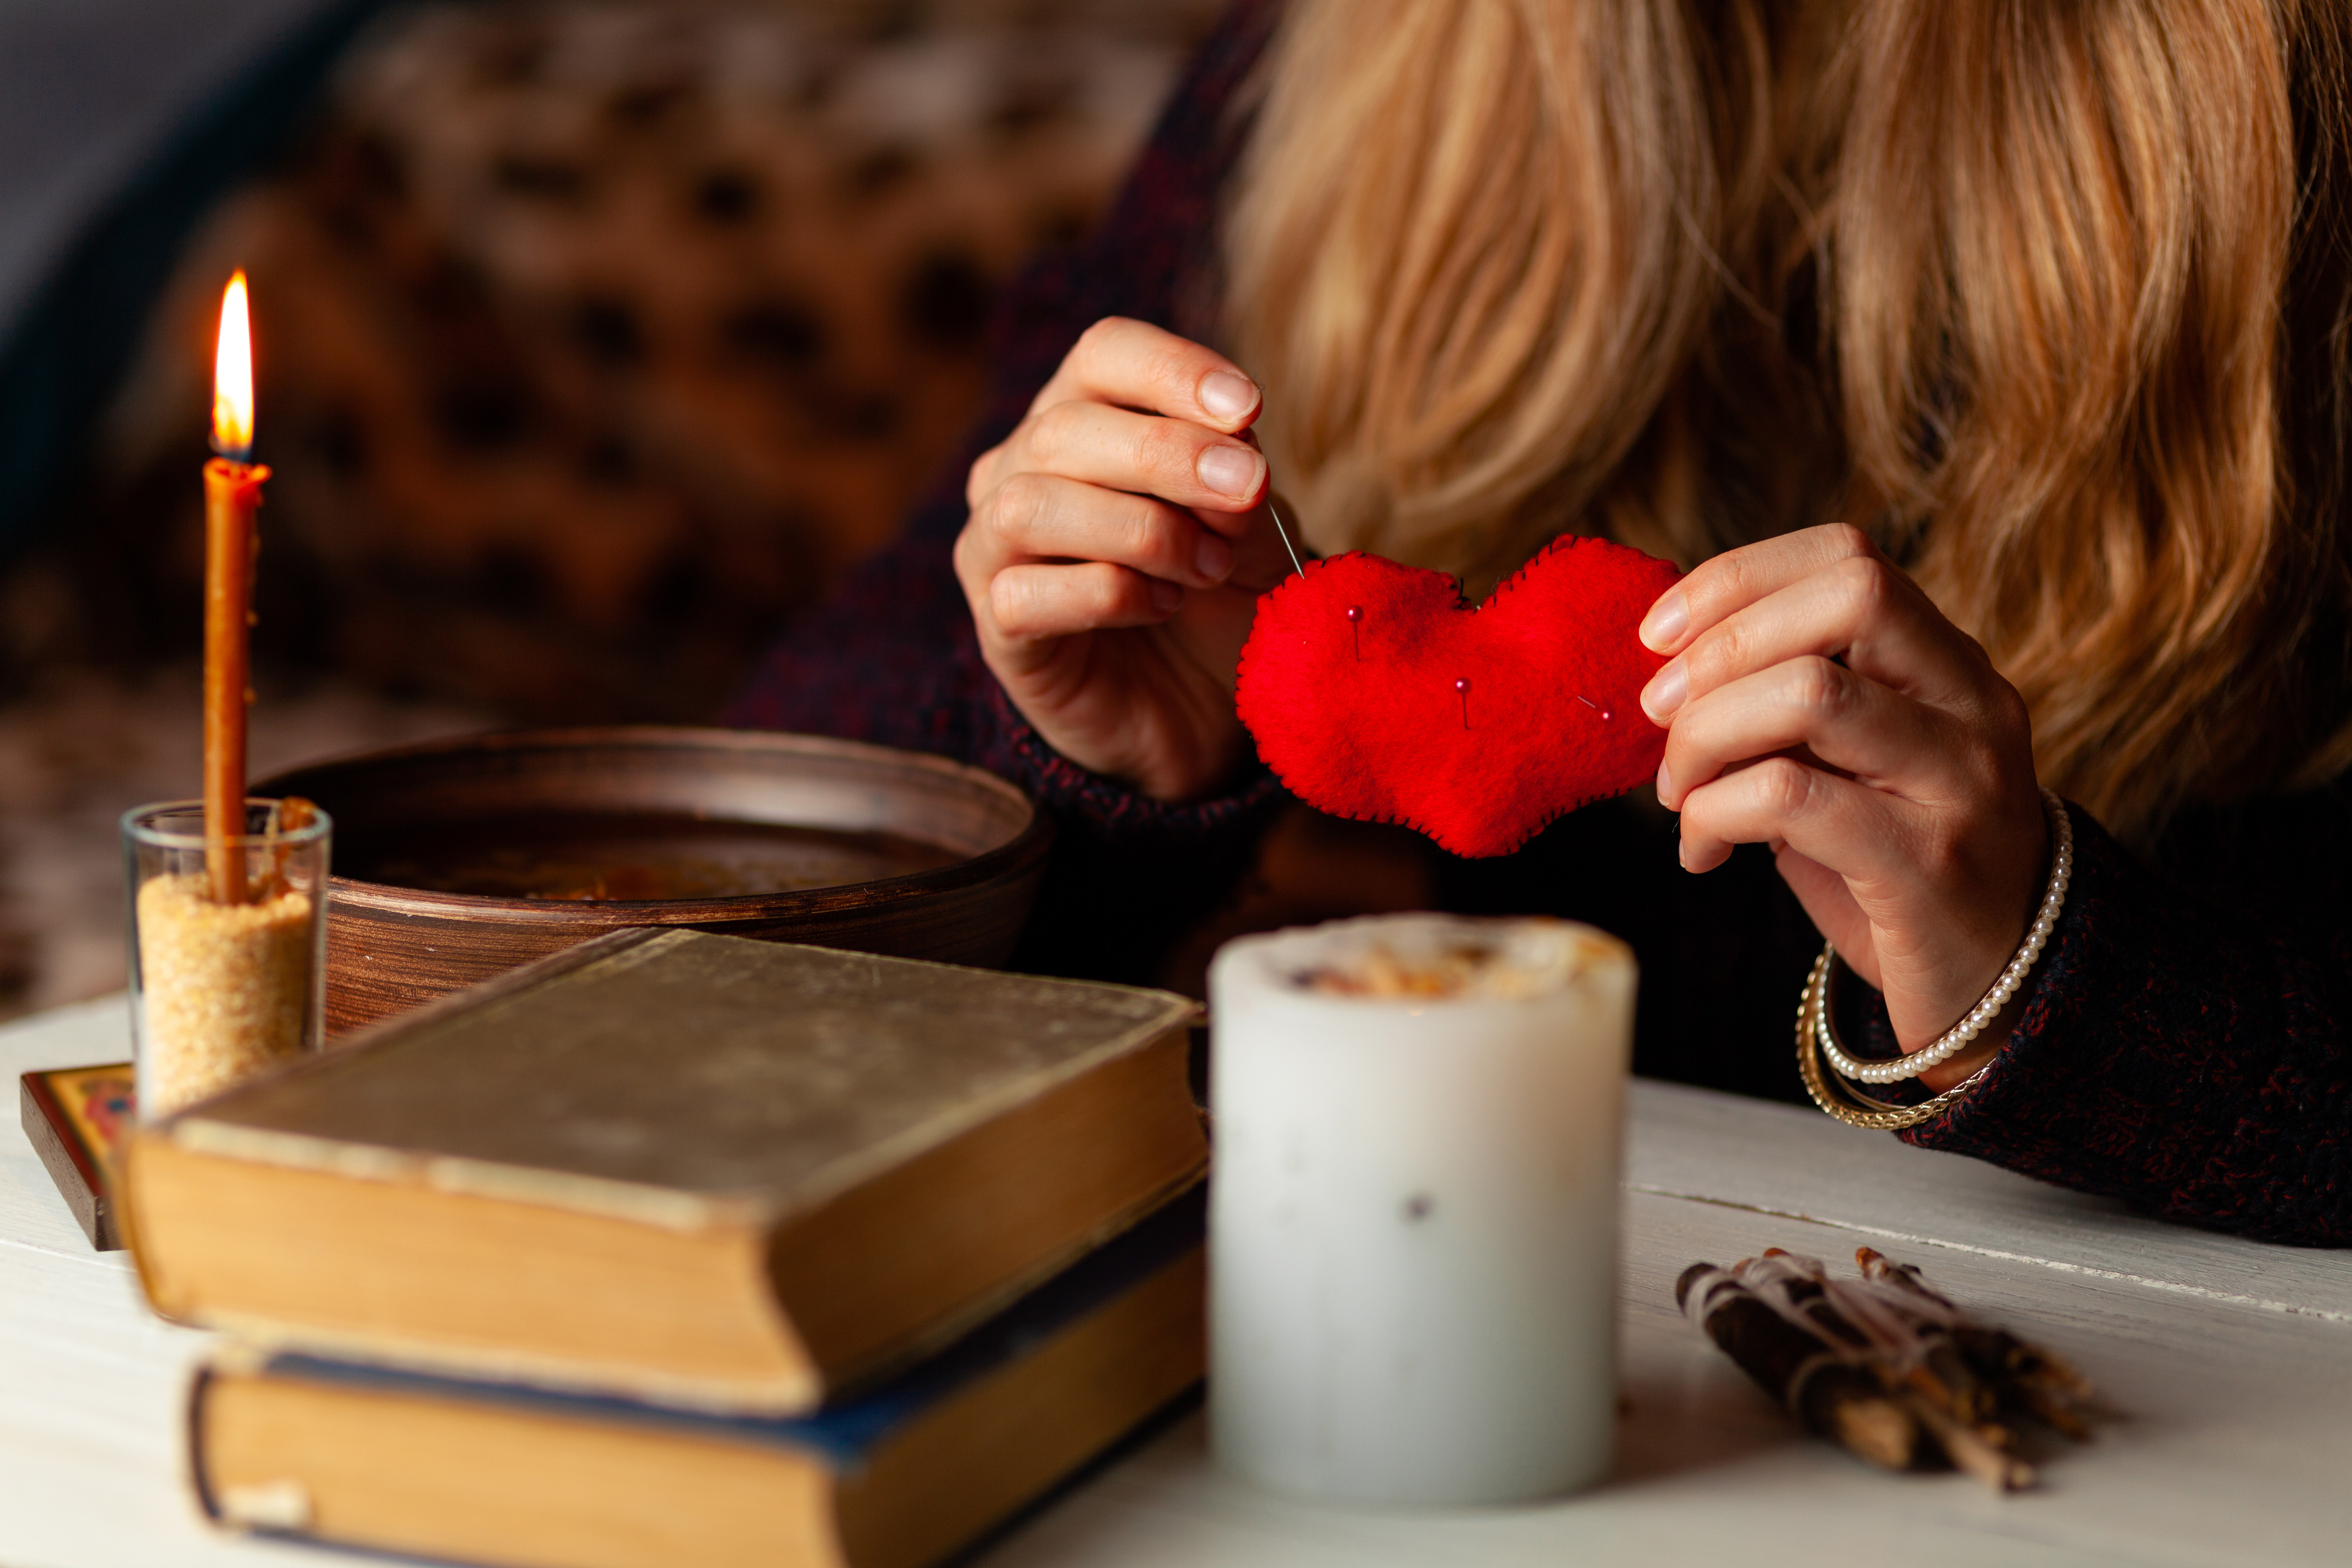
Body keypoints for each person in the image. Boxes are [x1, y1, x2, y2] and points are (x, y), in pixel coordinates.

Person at [732, 0, 2352, 1246]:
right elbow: (743, 905)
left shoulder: (2303, 104)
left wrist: (2060, 966)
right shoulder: (1348, 67)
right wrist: (1082, 764)